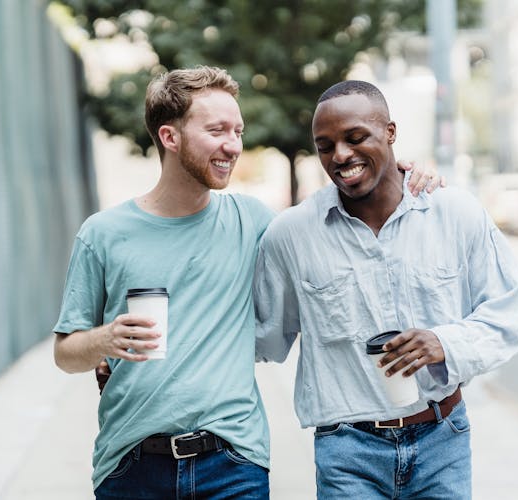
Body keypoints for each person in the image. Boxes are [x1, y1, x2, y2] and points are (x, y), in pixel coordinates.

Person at [54, 66, 442, 499]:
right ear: (170, 137)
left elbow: (339, 212)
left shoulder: (255, 223)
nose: (233, 145)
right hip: (130, 465)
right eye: (218, 130)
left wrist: (399, 172)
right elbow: (66, 353)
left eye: (237, 131)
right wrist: (105, 340)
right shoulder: (103, 234)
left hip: (233, 465)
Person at [253, 80, 518, 499]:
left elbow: (506, 316)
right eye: (325, 145)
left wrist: (444, 342)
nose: (340, 155)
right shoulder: (291, 236)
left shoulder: (455, 213)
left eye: (355, 137)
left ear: (391, 133)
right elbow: (262, 338)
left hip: (442, 439)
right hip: (347, 454)